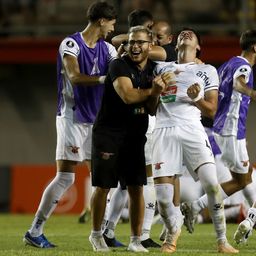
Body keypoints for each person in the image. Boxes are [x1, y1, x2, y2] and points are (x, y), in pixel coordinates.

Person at [23, 1, 117, 248]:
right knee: (66, 177)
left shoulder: (108, 49)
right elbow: (74, 76)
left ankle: (104, 232)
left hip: (96, 121)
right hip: (72, 117)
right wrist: (104, 79)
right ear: (101, 21)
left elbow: (119, 71)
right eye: (112, 23)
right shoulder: (71, 43)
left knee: (103, 180)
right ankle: (35, 230)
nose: (112, 28)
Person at [152, 28, 238, 253]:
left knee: (210, 183)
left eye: (191, 34)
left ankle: (222, 241)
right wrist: (155, 90)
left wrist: (197, 98)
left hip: (192, 129)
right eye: (182, 34)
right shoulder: (161, 68)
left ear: (199, 46)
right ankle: (173, 229)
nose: (186, 35)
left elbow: (212, 111)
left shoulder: (207, 70)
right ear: (175, 44)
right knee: (162, 198)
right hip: (163, 130)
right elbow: (151, 109)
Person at [89, 25, 169, 252]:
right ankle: (96, 235)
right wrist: (152, 91)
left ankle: (135, 240)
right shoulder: (118, 64)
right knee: (103, 186)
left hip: (135, 134)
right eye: (131, 42)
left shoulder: (154, 69)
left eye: (140, 42)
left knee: (136, 188)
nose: (134, 46)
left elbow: (152, 109)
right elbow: (128, 95)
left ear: (150, 45)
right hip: (109, 133)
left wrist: (154, 94)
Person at [182, 29, 256, 241]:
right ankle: (198, 207)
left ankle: (248, 219)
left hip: (222, 130)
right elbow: (240, 83)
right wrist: (251, 93)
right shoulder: (243, 66)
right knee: (242, 181)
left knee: (245, 176)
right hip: (233, 131)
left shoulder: (226, 64)